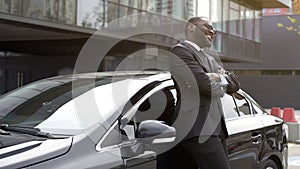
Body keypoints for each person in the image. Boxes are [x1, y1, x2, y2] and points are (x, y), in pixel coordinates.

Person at [169, 16, 239, 169]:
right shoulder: (180, 51)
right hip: (197, 127)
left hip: (215, 128)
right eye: (207, 26)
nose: (213, 31)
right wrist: (218, 82)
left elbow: (235, 84)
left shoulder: (209, 59)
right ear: (191, 27)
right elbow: (204, 85)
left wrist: (216, 77)